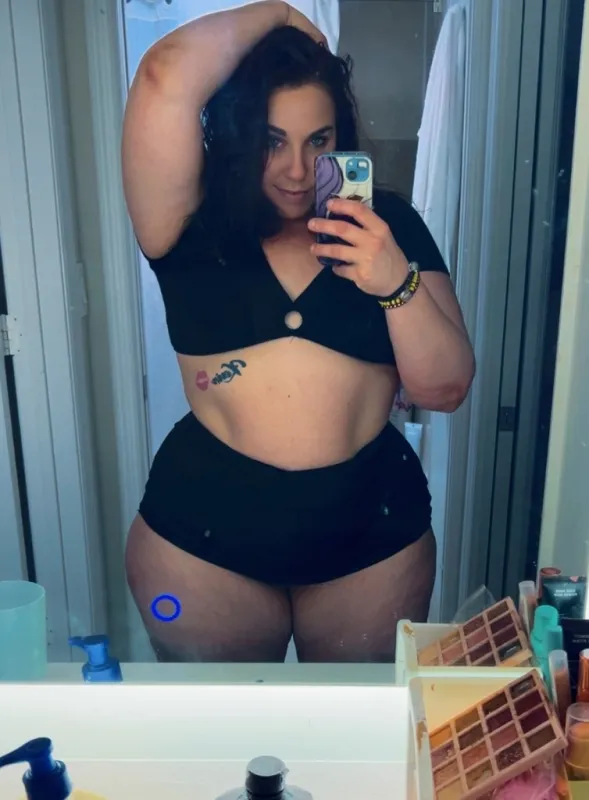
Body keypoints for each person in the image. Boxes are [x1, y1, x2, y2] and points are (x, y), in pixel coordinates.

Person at [122, 0, 475, 664]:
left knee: (354, 723)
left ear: (341, 138)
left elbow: (445, 388)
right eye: (272, 140)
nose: (295, 170)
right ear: (238, 138)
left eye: (318, 140)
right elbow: (164, 74)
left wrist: (392, 280)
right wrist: (279, 13)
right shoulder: (188, 222)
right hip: (199, 548)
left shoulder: (389, 226)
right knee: (217, 725)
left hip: (372, 543)